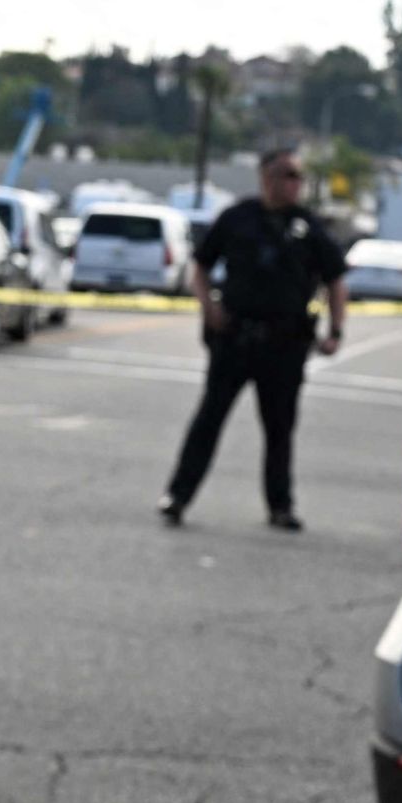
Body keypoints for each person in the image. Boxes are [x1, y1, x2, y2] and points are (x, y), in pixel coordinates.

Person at [158, 144, 345, 531]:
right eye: (287, 175)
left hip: (285, 344)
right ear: (266, 178)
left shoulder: (308, 227)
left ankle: (280, 506)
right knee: (209, 420)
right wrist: (209, 307)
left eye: (298, 177)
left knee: (279, 429)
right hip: (235, 339)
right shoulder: (237, 218)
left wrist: (336, 330)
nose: (294, 184)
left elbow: (336, 279)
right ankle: (178, 496)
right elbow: (201, 267)